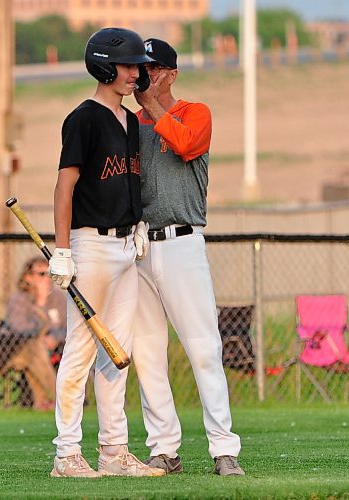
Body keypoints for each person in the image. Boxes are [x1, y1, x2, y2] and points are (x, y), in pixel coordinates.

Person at [47, 27, 164, 479]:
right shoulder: (84, 118)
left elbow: (128, 180)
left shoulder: (130, 121)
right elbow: (64, 186)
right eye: (129, 65)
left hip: (123, 247)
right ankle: (67, 454)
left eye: (138, 66)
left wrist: (137, 223)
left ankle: (114, 452)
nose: (136, 73)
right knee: (80, 350)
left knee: (118, 352)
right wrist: (62, 250)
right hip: (90, 246)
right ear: (104, 66)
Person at [132, 38, 245, 476]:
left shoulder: (194, 111)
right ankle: (164, 448)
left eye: (155, 68)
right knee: (148, 352)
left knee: (202, 349)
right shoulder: (130, 122)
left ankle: (223, 449)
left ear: (173, 74)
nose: (147, 75)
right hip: (140, 244)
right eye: (142, 68)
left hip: (182, 242)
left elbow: (184, 145)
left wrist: (154, 105)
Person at [5, 256, 67, 407]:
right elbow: (18, 327)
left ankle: (65, 400)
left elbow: (70, 327)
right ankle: (46, 400)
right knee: (35, 353)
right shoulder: (19, 299)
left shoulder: (59, 298)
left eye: (49, 274)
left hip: (56, 347)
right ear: (28, 277)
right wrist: (40, 303)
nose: (47, 279)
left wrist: (55, 337)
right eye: (41, 274)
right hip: (26, 348)